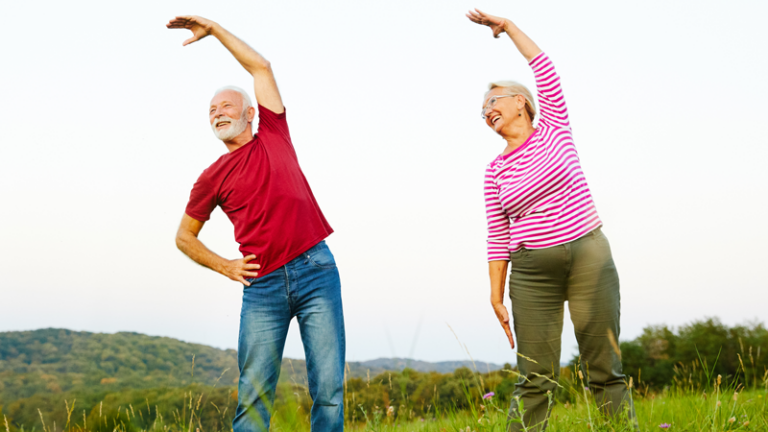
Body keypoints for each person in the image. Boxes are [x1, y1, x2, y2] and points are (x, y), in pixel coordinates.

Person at [167, 16, 345, 432]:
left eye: (226, 105)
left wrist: (213, 30)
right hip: (261, 285)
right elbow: (183, 237)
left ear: (250, 113)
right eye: (211, 110)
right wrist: (225, 266)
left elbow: (260, 67)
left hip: (316, 269)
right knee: (254, 394)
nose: (217, 113)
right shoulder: (211, 177)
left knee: (329, 389)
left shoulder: (274, 134)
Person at [466, 9, 637, 431]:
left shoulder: (554, 129)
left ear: (520, 102)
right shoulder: (494, 170)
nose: (486, 110)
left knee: (604, 367)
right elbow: (497, 235)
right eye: (481, 110)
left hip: (587, 257)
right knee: (534, 377)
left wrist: (507, 29)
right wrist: (495, 294)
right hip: (531, 272)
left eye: (493, 101)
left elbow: (544, 66)